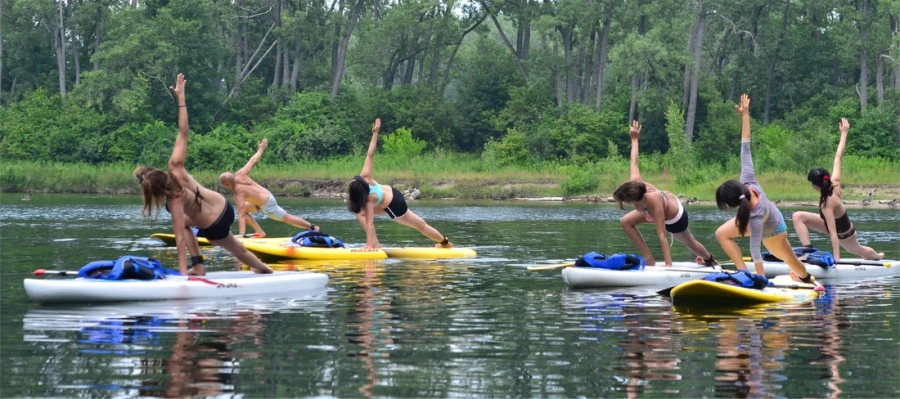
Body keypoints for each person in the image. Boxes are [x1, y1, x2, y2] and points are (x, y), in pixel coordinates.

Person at [134, 73, 272, 276]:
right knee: (234, 247)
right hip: (224, 207)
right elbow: (183, 132)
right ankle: (261, 269)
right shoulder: (175, 167)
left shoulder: (175, 202)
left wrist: (182, 277)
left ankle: (203, 267)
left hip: (213, 225)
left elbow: (180, 240)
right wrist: (181, 99)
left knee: (235, 248)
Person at [714, 94, 816, 285]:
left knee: (789, 259)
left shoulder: (755, 215)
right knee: (721, 234)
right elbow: (745, 146)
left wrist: (761, 281)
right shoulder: (747, 179)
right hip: (773, 219)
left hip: (774, 232)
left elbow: (755, 251)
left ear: (735, 203)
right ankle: (742, 273)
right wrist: (745, 116)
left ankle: (806, 278)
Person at [613, 121, 718, 267]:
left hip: (675, 218)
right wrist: (635, 139)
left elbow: (662, 235)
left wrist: (669, 265)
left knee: (690, 242)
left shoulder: (653, 200)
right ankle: (649, 258)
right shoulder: (635, 183)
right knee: (625, 221)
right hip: (652, 210)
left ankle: (709, 258)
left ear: (634, 200)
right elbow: (634, 161)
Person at [347, 118, 452, 249]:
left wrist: (368, 246)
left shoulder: (369, 199)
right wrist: (375, 133)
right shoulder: (365, 177)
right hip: (393, 193)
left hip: (395, 206)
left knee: (420, 225)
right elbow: (370, 155)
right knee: (360, 213)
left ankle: (445, 243)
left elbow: (370, 224)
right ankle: (375, 243)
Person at [791, 118, 884, 261]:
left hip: (844, 234)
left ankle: (877, 256)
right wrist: (844, 133)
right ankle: (807, 248)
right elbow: (838, 157)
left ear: (816, 186)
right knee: (797, 216)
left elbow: (833, 234)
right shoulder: (834, 182)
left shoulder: (827, 204)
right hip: (831, 225)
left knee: (861, 251)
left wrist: (836, 260)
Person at [219, 138, 320, 238]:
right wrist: (261, 149)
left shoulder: (238, 194)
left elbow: (241, 216)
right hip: (264, 198)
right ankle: (260, 233)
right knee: (244, 209)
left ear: (226, 185)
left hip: (268, 205)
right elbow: (253, 160)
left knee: (288, 219)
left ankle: (313, 227)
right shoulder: (240, 175)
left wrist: (241, 235)